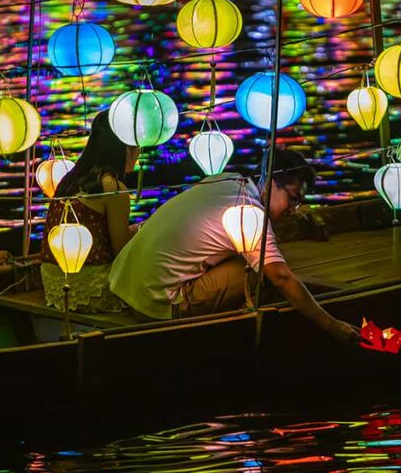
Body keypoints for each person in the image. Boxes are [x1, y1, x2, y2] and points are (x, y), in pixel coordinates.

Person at [108, 147, 361, 345]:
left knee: (253, 261)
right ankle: (238, 332)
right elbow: (282, 277)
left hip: (123, 286)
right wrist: (331, 324)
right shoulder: (249, 215)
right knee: (258, 272)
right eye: (292, 199)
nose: (294, 211)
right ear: (271, 181)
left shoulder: (227, 179)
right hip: (156, 305)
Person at [41, 110, 140, 313]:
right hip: (88, 285)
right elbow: (120, 249)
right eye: (135, 145)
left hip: (52, 281)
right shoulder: (112, 187)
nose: (138, 152)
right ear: (124, 148)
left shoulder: (69, 180)